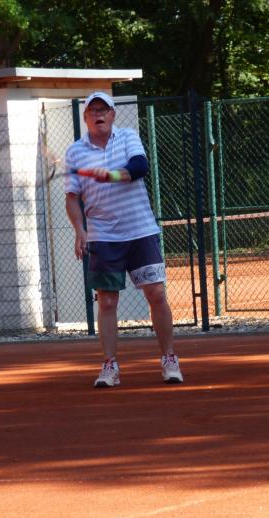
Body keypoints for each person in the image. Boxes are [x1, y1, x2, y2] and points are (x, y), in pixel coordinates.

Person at [64, 91, 183, 388]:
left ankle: (169, 359)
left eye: (104, 110)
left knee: (156, 294)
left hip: (141, 230)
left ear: (113, 114)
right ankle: (110, 366)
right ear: (85, 118)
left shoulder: (128, 136)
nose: (99, 114)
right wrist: (80, 230)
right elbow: (72, 197)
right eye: (93, 111)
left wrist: (112, 176)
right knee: (106, 301)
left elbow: (140, 166)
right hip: (103, 236)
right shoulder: (75, 152)